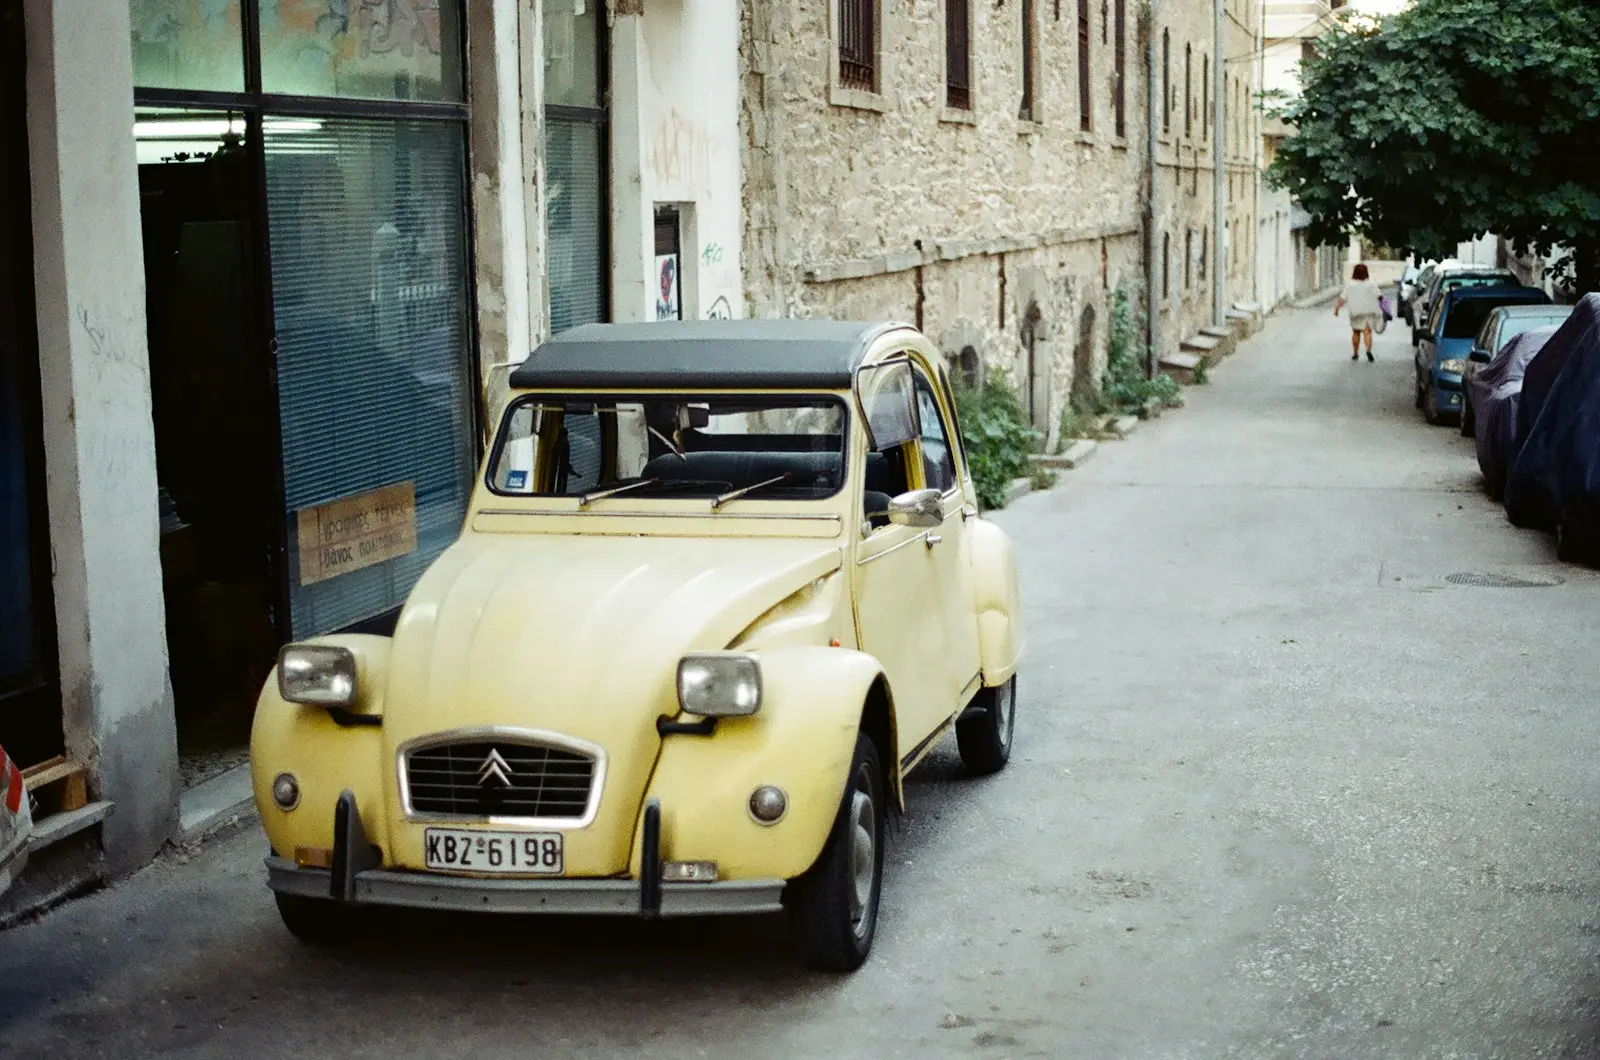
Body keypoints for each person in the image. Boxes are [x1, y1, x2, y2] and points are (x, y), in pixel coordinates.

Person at [1334, 263, 1382, 362]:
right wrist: (1385, 308)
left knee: (1356, 332)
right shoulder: (1371, 284)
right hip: (1369, 311)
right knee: (1367, 331)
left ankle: (1355, 353)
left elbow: (1343, 298)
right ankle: (1368, 350)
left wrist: (1337, 309)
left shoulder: (1350, 284)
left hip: (1355, 311)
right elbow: (1379, 296)